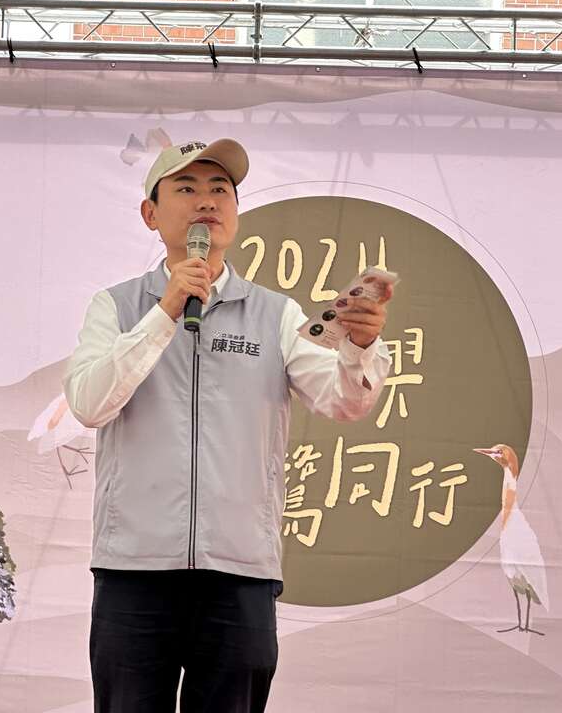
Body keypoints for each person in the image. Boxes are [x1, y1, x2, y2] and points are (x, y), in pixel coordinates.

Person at [64, 138, 393, 713]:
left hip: (240, 570)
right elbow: (90, 403)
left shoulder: (276, 313)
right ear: (151, 214)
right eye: (186, 188)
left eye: (220, 190)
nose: (206, 202)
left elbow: (344, 402)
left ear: (235, 214)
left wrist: (360, 346)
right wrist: (165, 311)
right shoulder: (115, 306)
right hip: (134, 568)